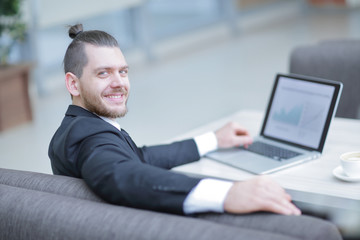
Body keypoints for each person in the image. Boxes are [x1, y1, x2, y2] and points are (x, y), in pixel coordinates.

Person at [48, 24, 341, 239]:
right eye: (103, 73)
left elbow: (136, 157)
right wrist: (227, 193)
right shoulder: (89, 138)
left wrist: (214, 140)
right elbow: (121, 175)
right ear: (73, 84)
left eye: (123, 71)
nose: (119, 83)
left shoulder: (80, 126)